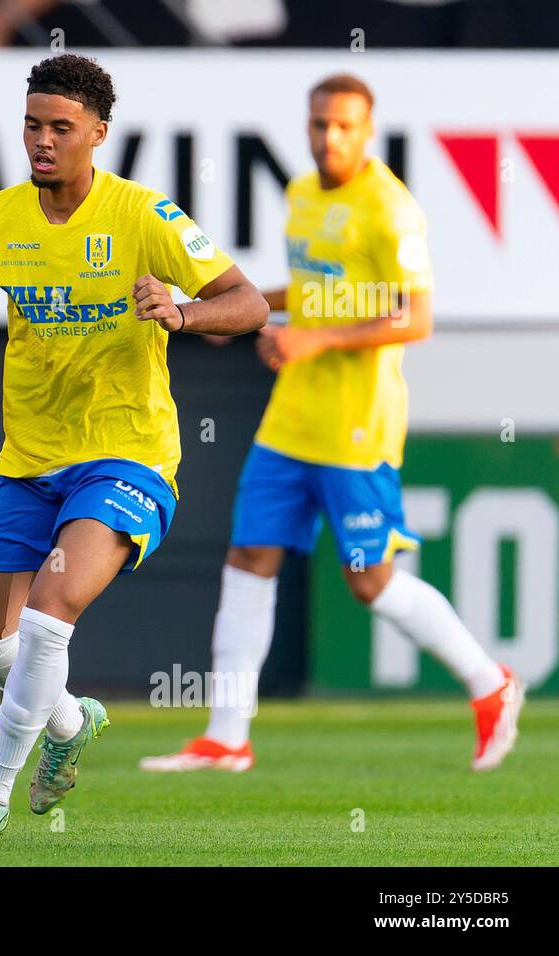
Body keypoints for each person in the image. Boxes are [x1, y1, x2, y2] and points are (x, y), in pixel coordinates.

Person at [0, 54, 267, 840]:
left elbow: (245, 303)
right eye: (33, 125)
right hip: (28, 461)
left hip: (129, 452)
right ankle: (71, 723)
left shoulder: (145, 214)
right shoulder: (0, 219)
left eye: (61, 129)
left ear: (98, 135)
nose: (42, 141)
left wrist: (182, 312)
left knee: (51, 612)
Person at [141, 74, 522, 775]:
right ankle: (228, 735)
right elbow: (317, 288)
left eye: (344, 126)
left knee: (369, 581)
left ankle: (489, 682)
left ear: (367, 130)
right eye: (319, 124)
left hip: (357, 424)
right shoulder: (302, 194)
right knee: (250, 556)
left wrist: (311, 339)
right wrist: (244, 307)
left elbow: (415, 316)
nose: (329, 137)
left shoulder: (390, 210)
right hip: (292, 417)